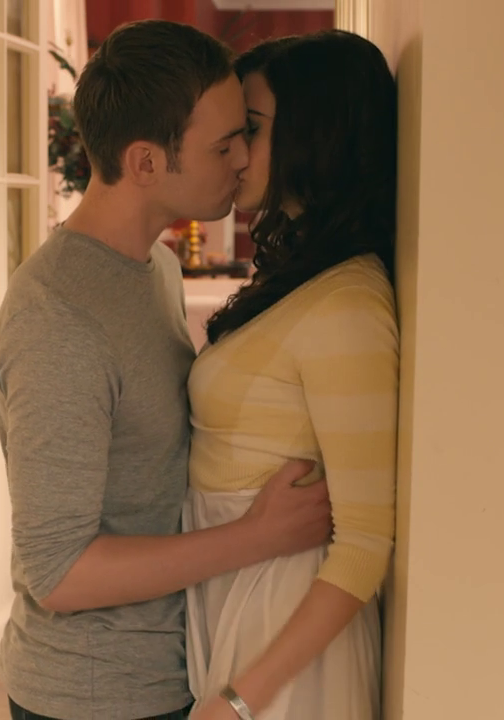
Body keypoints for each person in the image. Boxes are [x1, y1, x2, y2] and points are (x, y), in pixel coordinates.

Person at [0, 19, 336, 720]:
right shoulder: (59, 318)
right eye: (223, 144)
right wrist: (258, 536)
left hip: (173, 669)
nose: (244, 158)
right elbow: (59, 574)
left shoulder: (158, 267)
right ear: (146, 162)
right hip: (93, 697)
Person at [183, 30, 400, 720]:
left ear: (318, 133)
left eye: (251, 128)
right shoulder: (306, 279)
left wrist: (240, 700)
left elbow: (364, 545)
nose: (235, 152)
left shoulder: (348, 304)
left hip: (284, 633)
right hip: (246, 600)